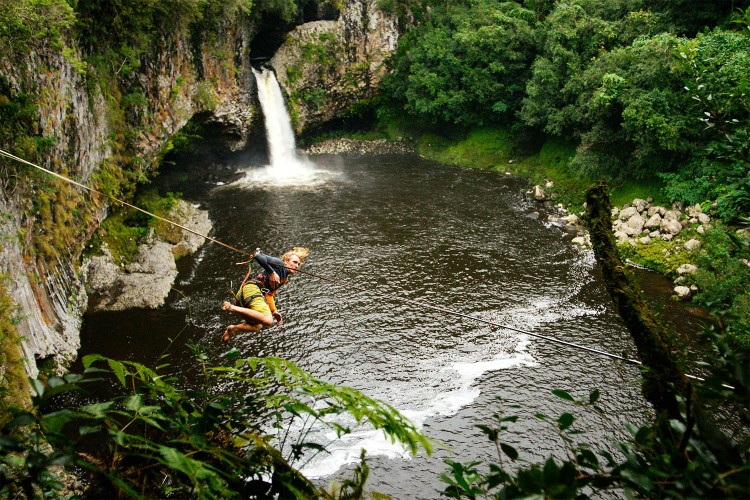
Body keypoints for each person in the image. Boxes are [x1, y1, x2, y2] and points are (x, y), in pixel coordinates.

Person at [221, 247, 310, 342]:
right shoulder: (279, 263)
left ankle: (234, 328)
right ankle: (232, 308)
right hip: (252, 289)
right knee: (268, 320)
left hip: (247, 293)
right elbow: (258, 255)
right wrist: (272, 272)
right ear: (286, 261)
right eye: (295, 262)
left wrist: (274, 311)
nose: (297, 266)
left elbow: (270, 295)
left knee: (257, 326)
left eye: (298, 264)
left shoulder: (284, 278)